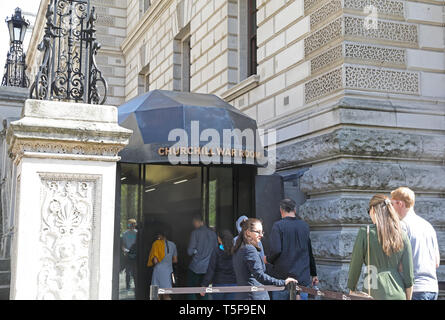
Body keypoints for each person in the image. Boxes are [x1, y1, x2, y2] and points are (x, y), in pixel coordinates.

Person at [347, 194, 414, 300]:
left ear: (373, 210)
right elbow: (409, 274)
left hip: (373, 289)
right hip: (398, 291)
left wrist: (351, 289)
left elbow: (355, 266)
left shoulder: (366, 233)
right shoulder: (402, 235)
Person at [390, 187, 440, 300]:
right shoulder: (428, 226)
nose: (390, 209)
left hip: (413, 289)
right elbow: (436, 262)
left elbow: (398, 262)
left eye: (392, 204)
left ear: (400, 203)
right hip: (432, 288)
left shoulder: (402, 226)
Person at [232, 218, 298, 300]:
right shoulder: (249, 249)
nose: (261, 235)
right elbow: (260, 275)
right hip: (255, 296)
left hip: (243, 295)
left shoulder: (239, 248)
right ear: (248, 232)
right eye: (258, 232)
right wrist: (283, 282)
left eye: (262, 232)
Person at [268, 199, 318, 300]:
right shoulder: (304, 226)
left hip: (283, 279)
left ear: (281, 210)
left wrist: (268, 259)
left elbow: (276, 250)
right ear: (295, 210)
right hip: (302, 279)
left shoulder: (278, 226)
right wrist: (314, 273)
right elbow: (309, 252)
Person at [187, 214, 218, 300]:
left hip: (196, 267)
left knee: (191, 291)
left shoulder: (195, 233)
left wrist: (196, 251)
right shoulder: (213, 234)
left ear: (199, 222)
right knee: (205, 293)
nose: (194, 224)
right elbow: (217, 250)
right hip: (208, 268)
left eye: (194, 222)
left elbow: (189, 252)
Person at [200, 230, 238, 300]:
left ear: (220, 240)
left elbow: (211, 270)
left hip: (219, 284)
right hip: (234, 284)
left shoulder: (216, 251)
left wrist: (204, 285)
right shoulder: (236, 251)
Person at [147, 229, 178, 300]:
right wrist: (168, 261)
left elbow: (155, 261)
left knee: (155, 295)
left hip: (157, 272)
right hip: (168, 273)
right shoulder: (173, 245)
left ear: (160, 235)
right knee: (167, 295)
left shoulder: (156, 244)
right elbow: (175, 260)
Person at [121, 218, 137, 291]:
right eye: (130, 224)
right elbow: (123, 245)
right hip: (128, 254)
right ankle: (128, 286)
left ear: (135, 225)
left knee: (135, 272)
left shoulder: (137, 233)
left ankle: (136, 286)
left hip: (136, 255)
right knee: (128, 272)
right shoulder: (125, 234)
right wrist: (124, 250)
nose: (131, 226)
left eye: (133, 224)